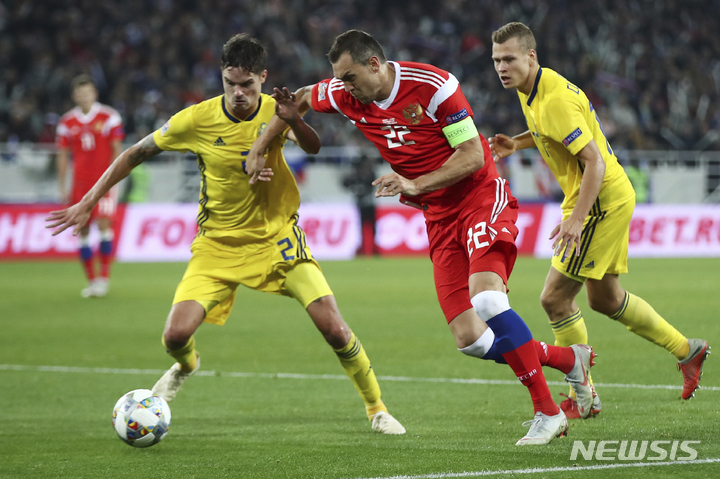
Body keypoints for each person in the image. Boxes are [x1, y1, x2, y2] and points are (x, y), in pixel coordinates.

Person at [247, 29, 597, 445]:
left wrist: (415, 184)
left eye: (350, 77)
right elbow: (301, 98)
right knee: (469, 339)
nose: (343, 87)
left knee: (487, 299)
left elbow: (470, 155)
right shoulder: (345, 95)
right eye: (339, 79)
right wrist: (259, 147)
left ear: (374, 64)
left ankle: (547, 411)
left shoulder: (434, 87)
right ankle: (567, 358)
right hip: (439, 216)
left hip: (480, 197)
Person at [46, 34, 405, 435]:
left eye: (247, 85)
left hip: (277, 241)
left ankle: (377, 409)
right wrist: (89, 201)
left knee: (335, 329)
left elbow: (314, 147)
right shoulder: (196, 119)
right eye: (230, 84)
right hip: (217, 245)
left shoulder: (275, 108)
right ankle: (186, 365)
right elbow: (135, 153)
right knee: (175, 334)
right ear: (222, 78)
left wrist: (294, 119)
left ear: (263, 79)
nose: (238, 93)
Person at [488, 22, 710, 416]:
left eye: (509, 59)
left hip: (599, 199)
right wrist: (518, 142)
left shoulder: (553, 98)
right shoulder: (535, 89)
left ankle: (582, 398)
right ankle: (686, 350)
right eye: (496, 60)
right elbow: (550, 130)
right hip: (612, 194)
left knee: (555, 299)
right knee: (605, 299)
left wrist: (576, 218)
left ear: (531, 56)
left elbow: (592, 161)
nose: (502, 67)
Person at [56, 74, 125, 298]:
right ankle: (91, 280)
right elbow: (62, 156)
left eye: (87, 92)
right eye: (79, 93)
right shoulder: (67, 122)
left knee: (104, 226)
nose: (83, 96)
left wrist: (113, 179)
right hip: (79, 185)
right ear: (74, 96)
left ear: (94, 94)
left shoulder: (109, 117)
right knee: (82, 230)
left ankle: (104, 277)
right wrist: (62, 185)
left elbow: (117, 149)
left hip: (103, 183)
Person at [342, 154, 378, 256]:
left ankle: (373, 247)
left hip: (368, 204)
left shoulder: (369, 174)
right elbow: (345, 183)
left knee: (372, 226)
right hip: (361, 205)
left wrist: (360, 188)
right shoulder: (356, 175)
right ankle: (364, 248)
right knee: (361, 226)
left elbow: (371, 186)